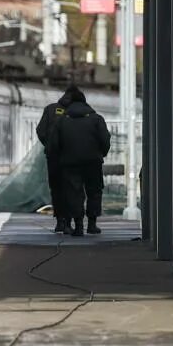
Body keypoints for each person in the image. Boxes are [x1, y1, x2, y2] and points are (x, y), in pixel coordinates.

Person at [46, 86, 111, 236]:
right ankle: (92, 224)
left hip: (70, 164)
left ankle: (79, 226)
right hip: (93, 162)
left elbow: (54, 144)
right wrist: (101, 154)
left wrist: (59, 158)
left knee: (74, 193)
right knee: (94, 191)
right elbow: (105, 140)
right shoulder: (96, 119)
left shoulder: (61, 121)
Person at [36, 89, 76, 234]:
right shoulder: (81, 112)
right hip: (74, 159)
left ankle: (60, 220)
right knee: (72, 189)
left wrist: (49, 145)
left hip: (54, 158)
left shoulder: (50, 109)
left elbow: (40, 130)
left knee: (57, 189)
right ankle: (70, 221)